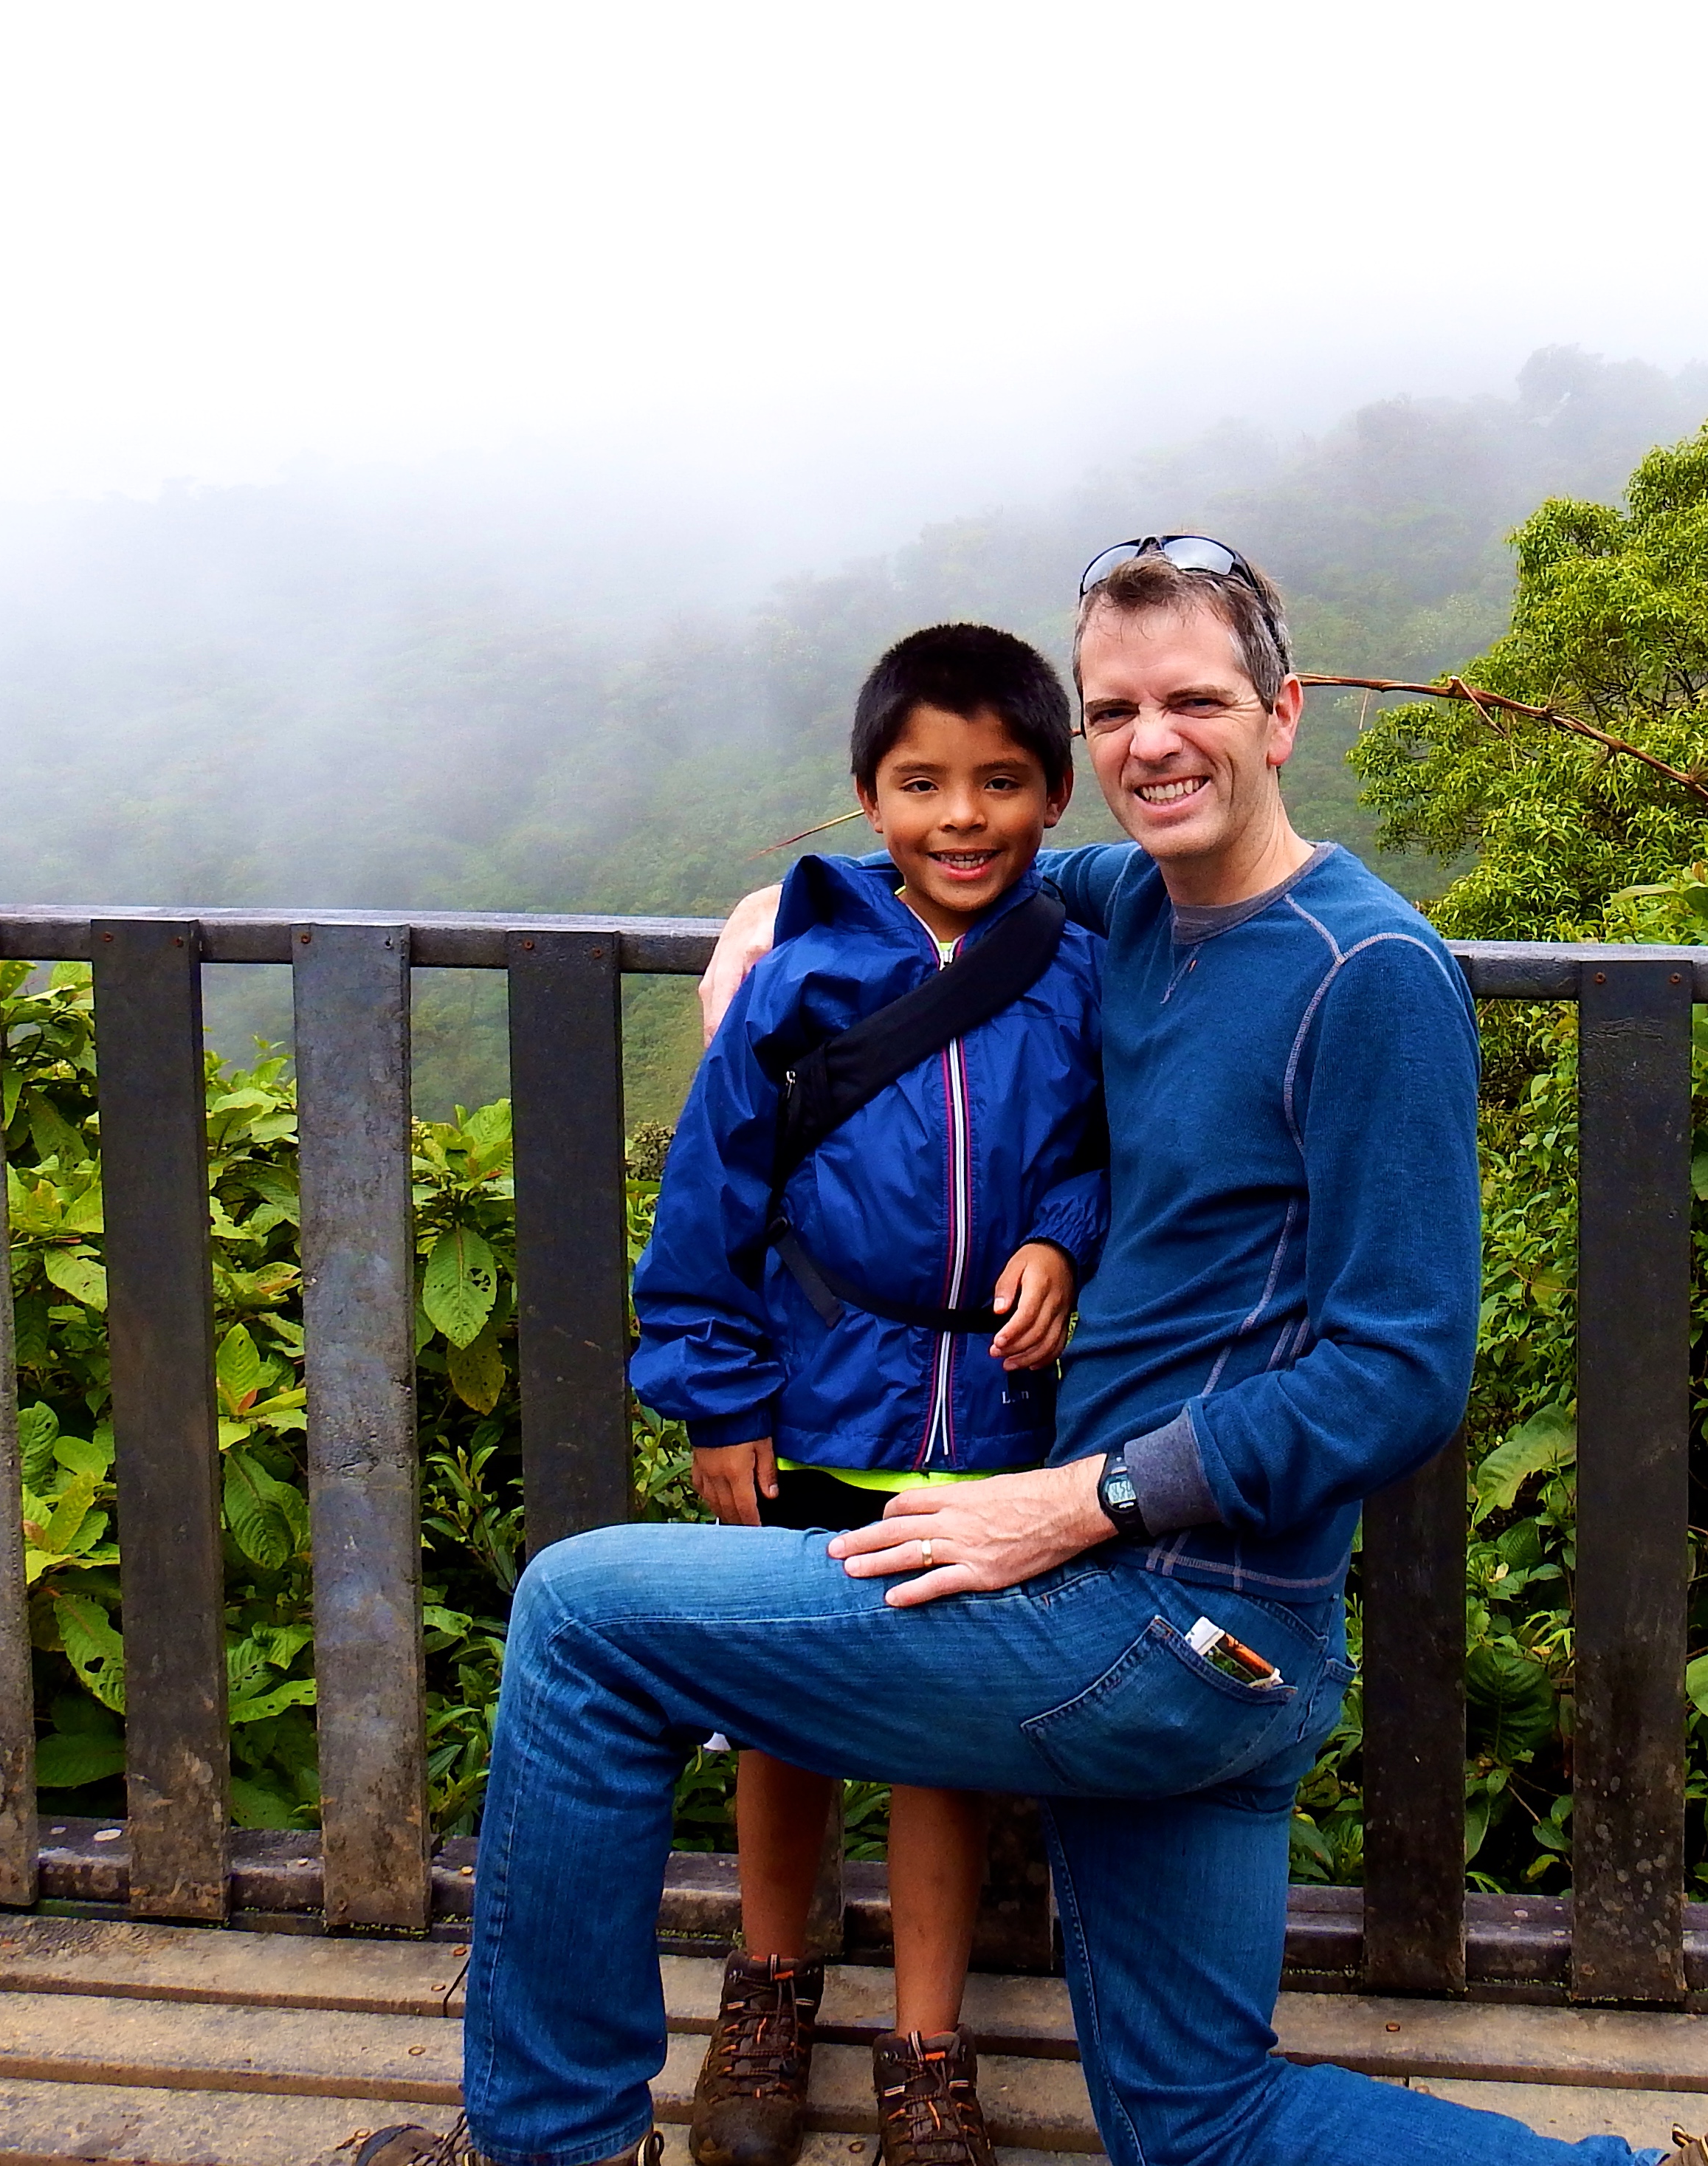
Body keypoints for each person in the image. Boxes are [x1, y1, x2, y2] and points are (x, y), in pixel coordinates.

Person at [362, 537, 1708, 2166]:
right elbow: (946, 872)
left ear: (1281, 714)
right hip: (1185, 1629)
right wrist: (774, 914)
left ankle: (544, 2146)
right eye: (1115, 711)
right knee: (1197, 2125)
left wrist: (1084, 1500)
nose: (1153, 742)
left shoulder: (1368, 975)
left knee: (583, 1620)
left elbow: (1399, 1369)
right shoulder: (1130, 904)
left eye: (1194, 700)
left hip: (1167, 1610)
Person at [627, 622, 1106, 2166]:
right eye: (921, 783)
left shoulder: (1076, 969)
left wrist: (1060, 1239)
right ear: (867, 795)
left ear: (1055, 797)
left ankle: (926, 2046)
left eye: (1000, 781)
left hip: (993, 1424)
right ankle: (768, 1992)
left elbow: (1100, 1147)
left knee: (938, 1731)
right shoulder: (803, 971)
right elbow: (714, 1187)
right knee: (784, 1709)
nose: (961, 815)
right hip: (818, 1396)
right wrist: (718, 1398)